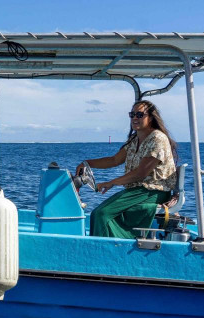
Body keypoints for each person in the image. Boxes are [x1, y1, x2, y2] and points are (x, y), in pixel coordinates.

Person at [76, 100, 177, 238]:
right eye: (132, 114)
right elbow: (115, 160)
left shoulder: (157, 138)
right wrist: (87, 163)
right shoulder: (135, 139)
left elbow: (141, 173)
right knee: (100, 213)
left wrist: (111, 182)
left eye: (140, 115)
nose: (135, 118)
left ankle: (106, 251)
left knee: (102, 213)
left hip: (152, 191)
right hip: (136, 191)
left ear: (151, 117)